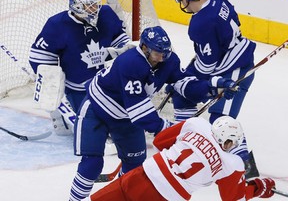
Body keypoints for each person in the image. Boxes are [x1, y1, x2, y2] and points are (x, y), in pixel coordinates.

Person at [68, 26, 238, 200]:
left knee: (133, 168)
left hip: (126, 118)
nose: (162, 58)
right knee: (92, 164)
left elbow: (185, 86)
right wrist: (168, 128)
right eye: (157, 53)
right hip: (97, 111)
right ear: (144, 48)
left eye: (165, 53)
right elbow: (139, 111)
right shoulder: (130, 62)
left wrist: (211, 87)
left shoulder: (169, 61)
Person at [171, 0, 259, 178]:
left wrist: (196, 81)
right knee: (182, 94)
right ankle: (186, 145)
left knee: (221, 121)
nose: (179, 0)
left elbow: (206, 66)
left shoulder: (200, 23)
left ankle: (245, 167)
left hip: (236, 70)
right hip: (229, 60)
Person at [90, 116, 276, 201]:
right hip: (165, 197)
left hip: (140, 176)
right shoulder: (232, 164)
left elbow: (160, 141)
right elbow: (232, 197)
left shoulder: (196, 124)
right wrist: (259, 188)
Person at [28, 0, 131, 135]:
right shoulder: (57, 24)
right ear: (76, 6)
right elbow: (40, 55)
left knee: (120, 124)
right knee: (90, 130)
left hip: (106, 83)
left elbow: (119, 37)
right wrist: (47, 76)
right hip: (78, 88)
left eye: (95, 4)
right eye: (89, 6)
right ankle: (59, 117)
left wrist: (123, 51)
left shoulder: (106, 13)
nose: (94, 9)